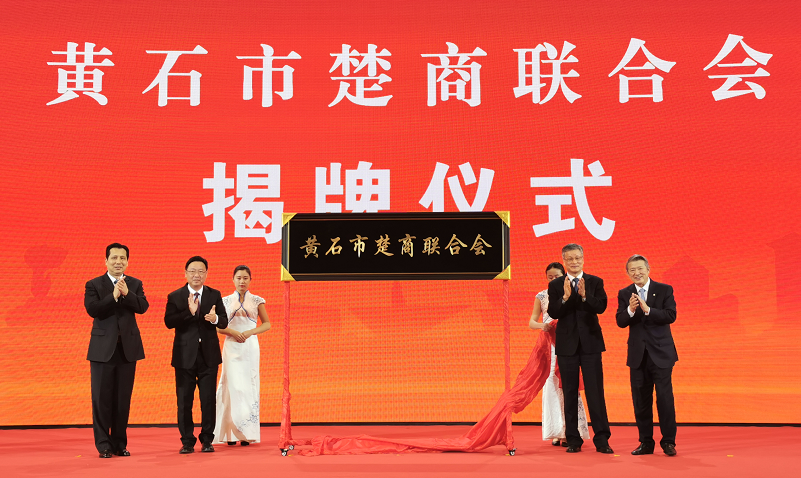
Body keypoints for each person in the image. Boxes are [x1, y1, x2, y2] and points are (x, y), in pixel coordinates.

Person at [84, 243, 148, 459]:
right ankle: (103, 445)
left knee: (122, 400)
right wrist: (112, 296)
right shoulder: (94, 284)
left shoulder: (135, 283)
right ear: (106, 261)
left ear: (127, 261)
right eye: (114, 258)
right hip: (102, 350)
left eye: (122, 258)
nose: (118, 262)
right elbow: (93, 309)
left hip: (127, 350)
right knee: (101, 399)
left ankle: (120, 444)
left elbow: (143, 307)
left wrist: (127, 294)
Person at [547, 243, 613, 454]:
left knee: (595, 392)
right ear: (564, 261)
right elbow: (554, 312)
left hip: (591, 344)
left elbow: (601, 307)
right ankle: (573, 439)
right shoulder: (556, 285)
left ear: (583, 259)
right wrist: (565, 297)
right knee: (569, 392)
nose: (574, 262)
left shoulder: (595, 281)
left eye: (577, 258)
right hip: (567, 345)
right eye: (570, 259)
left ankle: (602, 439)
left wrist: (585, 296)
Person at [615, 254, 678, 457]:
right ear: (628, 273)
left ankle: (668, 442)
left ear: (648, 269)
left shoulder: (664, 289)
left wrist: (648, 309)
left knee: (664, 399)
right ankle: (646, 442)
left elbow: (671, 315)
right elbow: (620, 321)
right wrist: (630, 310)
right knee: (641, 401)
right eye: (632, 270)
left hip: (661, 353)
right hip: (638, 355)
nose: (637, 273)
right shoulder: (625, 293)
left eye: (640, 268)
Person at [164, 256, 228, 454]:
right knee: (184, 401)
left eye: (201, 271)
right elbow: (169, 322)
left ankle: (207, 440)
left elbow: (224, 321)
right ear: (185, 273)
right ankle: (187, 441)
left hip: (209, 356)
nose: (196, 275)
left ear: (206, 274)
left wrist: (215, 318)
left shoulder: (214, 294)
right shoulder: (175, 296)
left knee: (208, 400)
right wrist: (189, 312)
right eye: (192, 271)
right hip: (184, 356)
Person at [529, 262, 590, 446]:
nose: (553, 279)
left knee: (568, 386)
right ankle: (557, 431)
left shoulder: (573, 293)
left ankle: (571, 431)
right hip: (549, 346)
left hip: (568, 343)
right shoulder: (542, 296)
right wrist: (543, 325)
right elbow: (532, 322)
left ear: (564, 276)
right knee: (552, 385)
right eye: (550, 277)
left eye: (557, 276)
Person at [213, 265, 271, 446]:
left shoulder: (257, 300)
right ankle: (229, 434)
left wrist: (249, 332)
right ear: (233, 279)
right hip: (231, 346)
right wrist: (233, 332)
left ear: (250, 280)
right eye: (238, 278)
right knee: (231, 386)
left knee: (248, 386)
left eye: (245, 278)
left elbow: (267, 324)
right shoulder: (224, 301)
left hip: (249, 346)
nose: (242, 281)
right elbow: (219, 327)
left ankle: (246, 433)